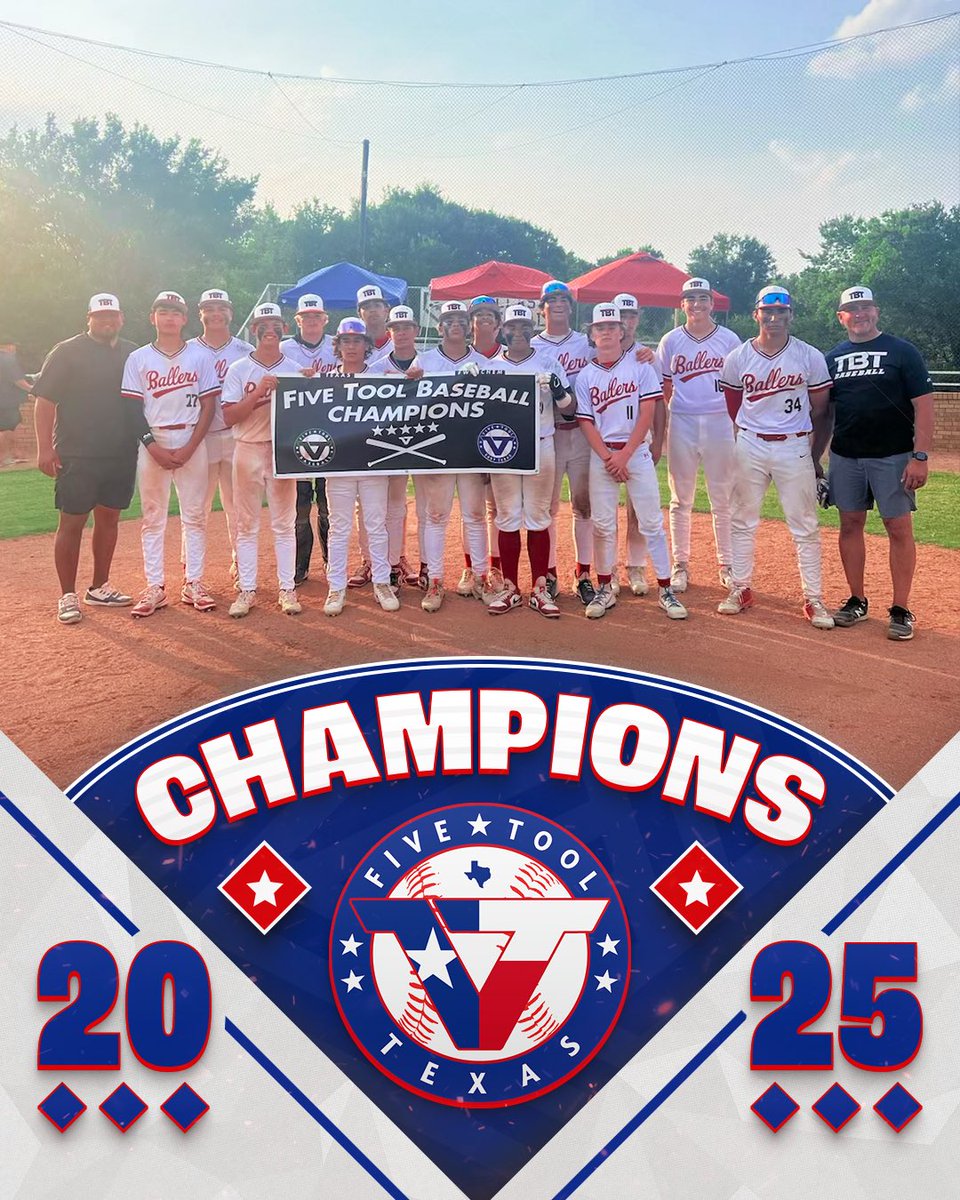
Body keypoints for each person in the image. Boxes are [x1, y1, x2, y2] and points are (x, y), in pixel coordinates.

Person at [815, 285, 934, 641]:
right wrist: (814, 457)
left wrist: (920, 457)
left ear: (876, 311)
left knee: (898, 528)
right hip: (846, 455)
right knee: (850, 525)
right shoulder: (832, 357)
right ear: (841, 317)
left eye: (866, 307)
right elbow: (826, 415)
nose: (860, 314)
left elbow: (924, 406)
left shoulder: (902, 351)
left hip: (894, 456)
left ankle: (900, 608)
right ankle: (856, 600)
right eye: (853, 309)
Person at [718, 286, 834, 629]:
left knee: (805, 525)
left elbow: (821, 409)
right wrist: (751, 430)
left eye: (781, 311)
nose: (774, 317)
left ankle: (813, 598)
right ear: (756, 314)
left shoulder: (809, 355)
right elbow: (734, 405)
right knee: (741, 519)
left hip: (794, 444)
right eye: (767, 311)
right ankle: (740, 588)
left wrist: (812, 453)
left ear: (790, 315)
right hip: (750, 443)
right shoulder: (738, 357)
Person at [575, 303, 687, 622]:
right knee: (603, 524)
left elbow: (648, 413)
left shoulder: (640, 366)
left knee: (651, 522)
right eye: (600, 328)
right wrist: (610, 457)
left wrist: (624, 454)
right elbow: (586, 422)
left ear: (622, 332)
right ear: (592, 334)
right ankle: (605, 587)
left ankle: (665, 588)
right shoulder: (585, 375)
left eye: (612, 327)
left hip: (634, 452)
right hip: (603, 455)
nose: (607, 332)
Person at [33, 294, 138, 624]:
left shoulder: (132, 352)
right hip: (77, 453)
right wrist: (44, 448)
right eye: (100, 315)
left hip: (121, 452)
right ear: (89, 318)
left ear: (121, 318)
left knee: (109, 521)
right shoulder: (67, 351)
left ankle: (99, 587)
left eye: (113, 315)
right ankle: (67, 595)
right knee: (72, 522)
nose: (107, 321)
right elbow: (45, 401)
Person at [121, 291, 220, 618]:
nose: (169, 317)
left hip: (192, 437)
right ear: (153, 317)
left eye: (175, 312)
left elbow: (209, 405)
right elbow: (132, 409)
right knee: (153, 517)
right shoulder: (138, 358)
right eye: (163, 311)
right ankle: (155, 586)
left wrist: (192, 445)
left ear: (184, 319)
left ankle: (194, 581)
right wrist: (152, 445)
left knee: (195, 514)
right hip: (154, 439)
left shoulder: (199, 356)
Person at [485, 304, 574, 617]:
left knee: (538, 516)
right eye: (512, 327)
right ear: (503, 330)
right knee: (507, 516)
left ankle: (539, 587)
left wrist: (558, 388)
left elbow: (570, 409)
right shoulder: (491, 367)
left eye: (524, 326)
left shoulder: (548, 362)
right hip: (503, 448)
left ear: (533, 329)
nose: (518, 332)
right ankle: (510, 586)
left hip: (540, 444)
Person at [654, 278, 740, 593]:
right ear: (683, 305)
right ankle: (680, 565)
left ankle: (727, 565)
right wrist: (676, 408)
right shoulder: (671, 340)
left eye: (702, 298)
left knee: (723, 497)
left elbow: (738, 385)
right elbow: (663, 384)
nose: (697, 304)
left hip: (719, 422)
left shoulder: (729, 339)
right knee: (681, 498)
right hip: (683, 421)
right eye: (691, 298)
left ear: (712, 304)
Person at [221, 303, 305, 618]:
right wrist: (258, 392)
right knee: (246, 524)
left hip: (281, 450)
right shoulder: (239, 368)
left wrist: (310, 383)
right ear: (254, 330)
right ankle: (247, 589)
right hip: (247, 447)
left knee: (284, 523)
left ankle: (287, 589)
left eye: (275, 325)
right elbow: (229, 416)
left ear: (284, 328)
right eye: (263, 325)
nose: (269, 331)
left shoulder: (294, 368)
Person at [415, 300, 492, 611]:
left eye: (461, 319)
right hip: (438, 447)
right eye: (449, 319)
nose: (456, 324)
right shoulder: (426, 360)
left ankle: (481, 577)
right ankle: (435, 581)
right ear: (440, 327)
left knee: (475, 516)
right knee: (436, 517)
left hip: (472, 449)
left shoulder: (485, 362)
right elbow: (412, 405)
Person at [322, 318, 401, 618]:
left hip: (373, 461)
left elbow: (409, 389)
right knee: (339, 527)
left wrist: (413, 376)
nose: (351, 346)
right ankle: (336, 586)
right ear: (338, 346)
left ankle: (382, 582)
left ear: (367, 346)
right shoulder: (325, 380)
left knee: (376, 525)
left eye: (357, 341)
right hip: (339, 464)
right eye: (345, 341)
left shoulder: (382, 376)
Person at [530, 280, 595, 606]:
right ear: (541, 307)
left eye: (563, 299)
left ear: (571, 306)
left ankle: (583, 573)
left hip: (582, 433)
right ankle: (550, 572)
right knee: (548, 508)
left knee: (584, 506)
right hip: (549, 434)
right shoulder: (530, 346)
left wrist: (640, 350)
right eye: (550, 299)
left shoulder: (587, 342)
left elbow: (618, 356)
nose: (557, 304)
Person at [188, 288, 253, 582]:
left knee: (238, 506)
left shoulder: (244, 351)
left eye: (221, 308)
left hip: (235, 436)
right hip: (199, 438)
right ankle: (192, 571)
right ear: (200, 313)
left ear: (230, 313)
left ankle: (241, 564)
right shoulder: (187, 350)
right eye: (209, 308)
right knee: (195, 508)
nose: (215, 313)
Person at [281, 294, 336, 587]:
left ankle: (331, 563)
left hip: (333, 434)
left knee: (328, 506)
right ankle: (300, 566)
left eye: (317, 316)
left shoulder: (337, 346)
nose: (312, 321)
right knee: (300, 505)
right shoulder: (282, 348)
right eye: (307, 317)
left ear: (325, 319)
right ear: (298, 320)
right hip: (295, 437)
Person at [346, 284, 396, 587]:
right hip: (360, 439)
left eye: (378, 305)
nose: (373, 310)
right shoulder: (354, 346)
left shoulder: (401, 342)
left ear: (386, 310)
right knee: (363, 505)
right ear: (360, 313)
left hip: (394, 437)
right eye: (367, 306)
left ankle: (396, 560)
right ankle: (368, 561)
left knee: (396, 503)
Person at [614, 293, 664, 597]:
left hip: (638, 444)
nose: (625, 321)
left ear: (638, 318)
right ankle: (600, 570)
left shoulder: (646, 356)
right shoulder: (597, 353)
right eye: (620, 315)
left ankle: (635, 567)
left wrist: (659, 441)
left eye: (631, 316)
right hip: (604, 446)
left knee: (637, 511)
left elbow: (658, 404)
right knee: (596, 510)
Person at [369, 305, 421, 589]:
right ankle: (379, 562)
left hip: (421, 440)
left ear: (416, 330)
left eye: (406, 327)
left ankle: (397, 560)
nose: (401, 333)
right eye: (396, 328)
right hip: (385, 442)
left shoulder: (429, 364)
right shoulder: (376, 368)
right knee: (377, 506)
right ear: (389, 332)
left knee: (400, 505)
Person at [0, 340, 30, 466]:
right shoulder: (8, 359)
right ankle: (2, 458)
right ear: (9, 346)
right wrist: (33, 389)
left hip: (5, 400)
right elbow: (18, 380)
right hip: (6, 401)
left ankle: (14, 454)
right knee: (6, 429)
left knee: (12, 426)